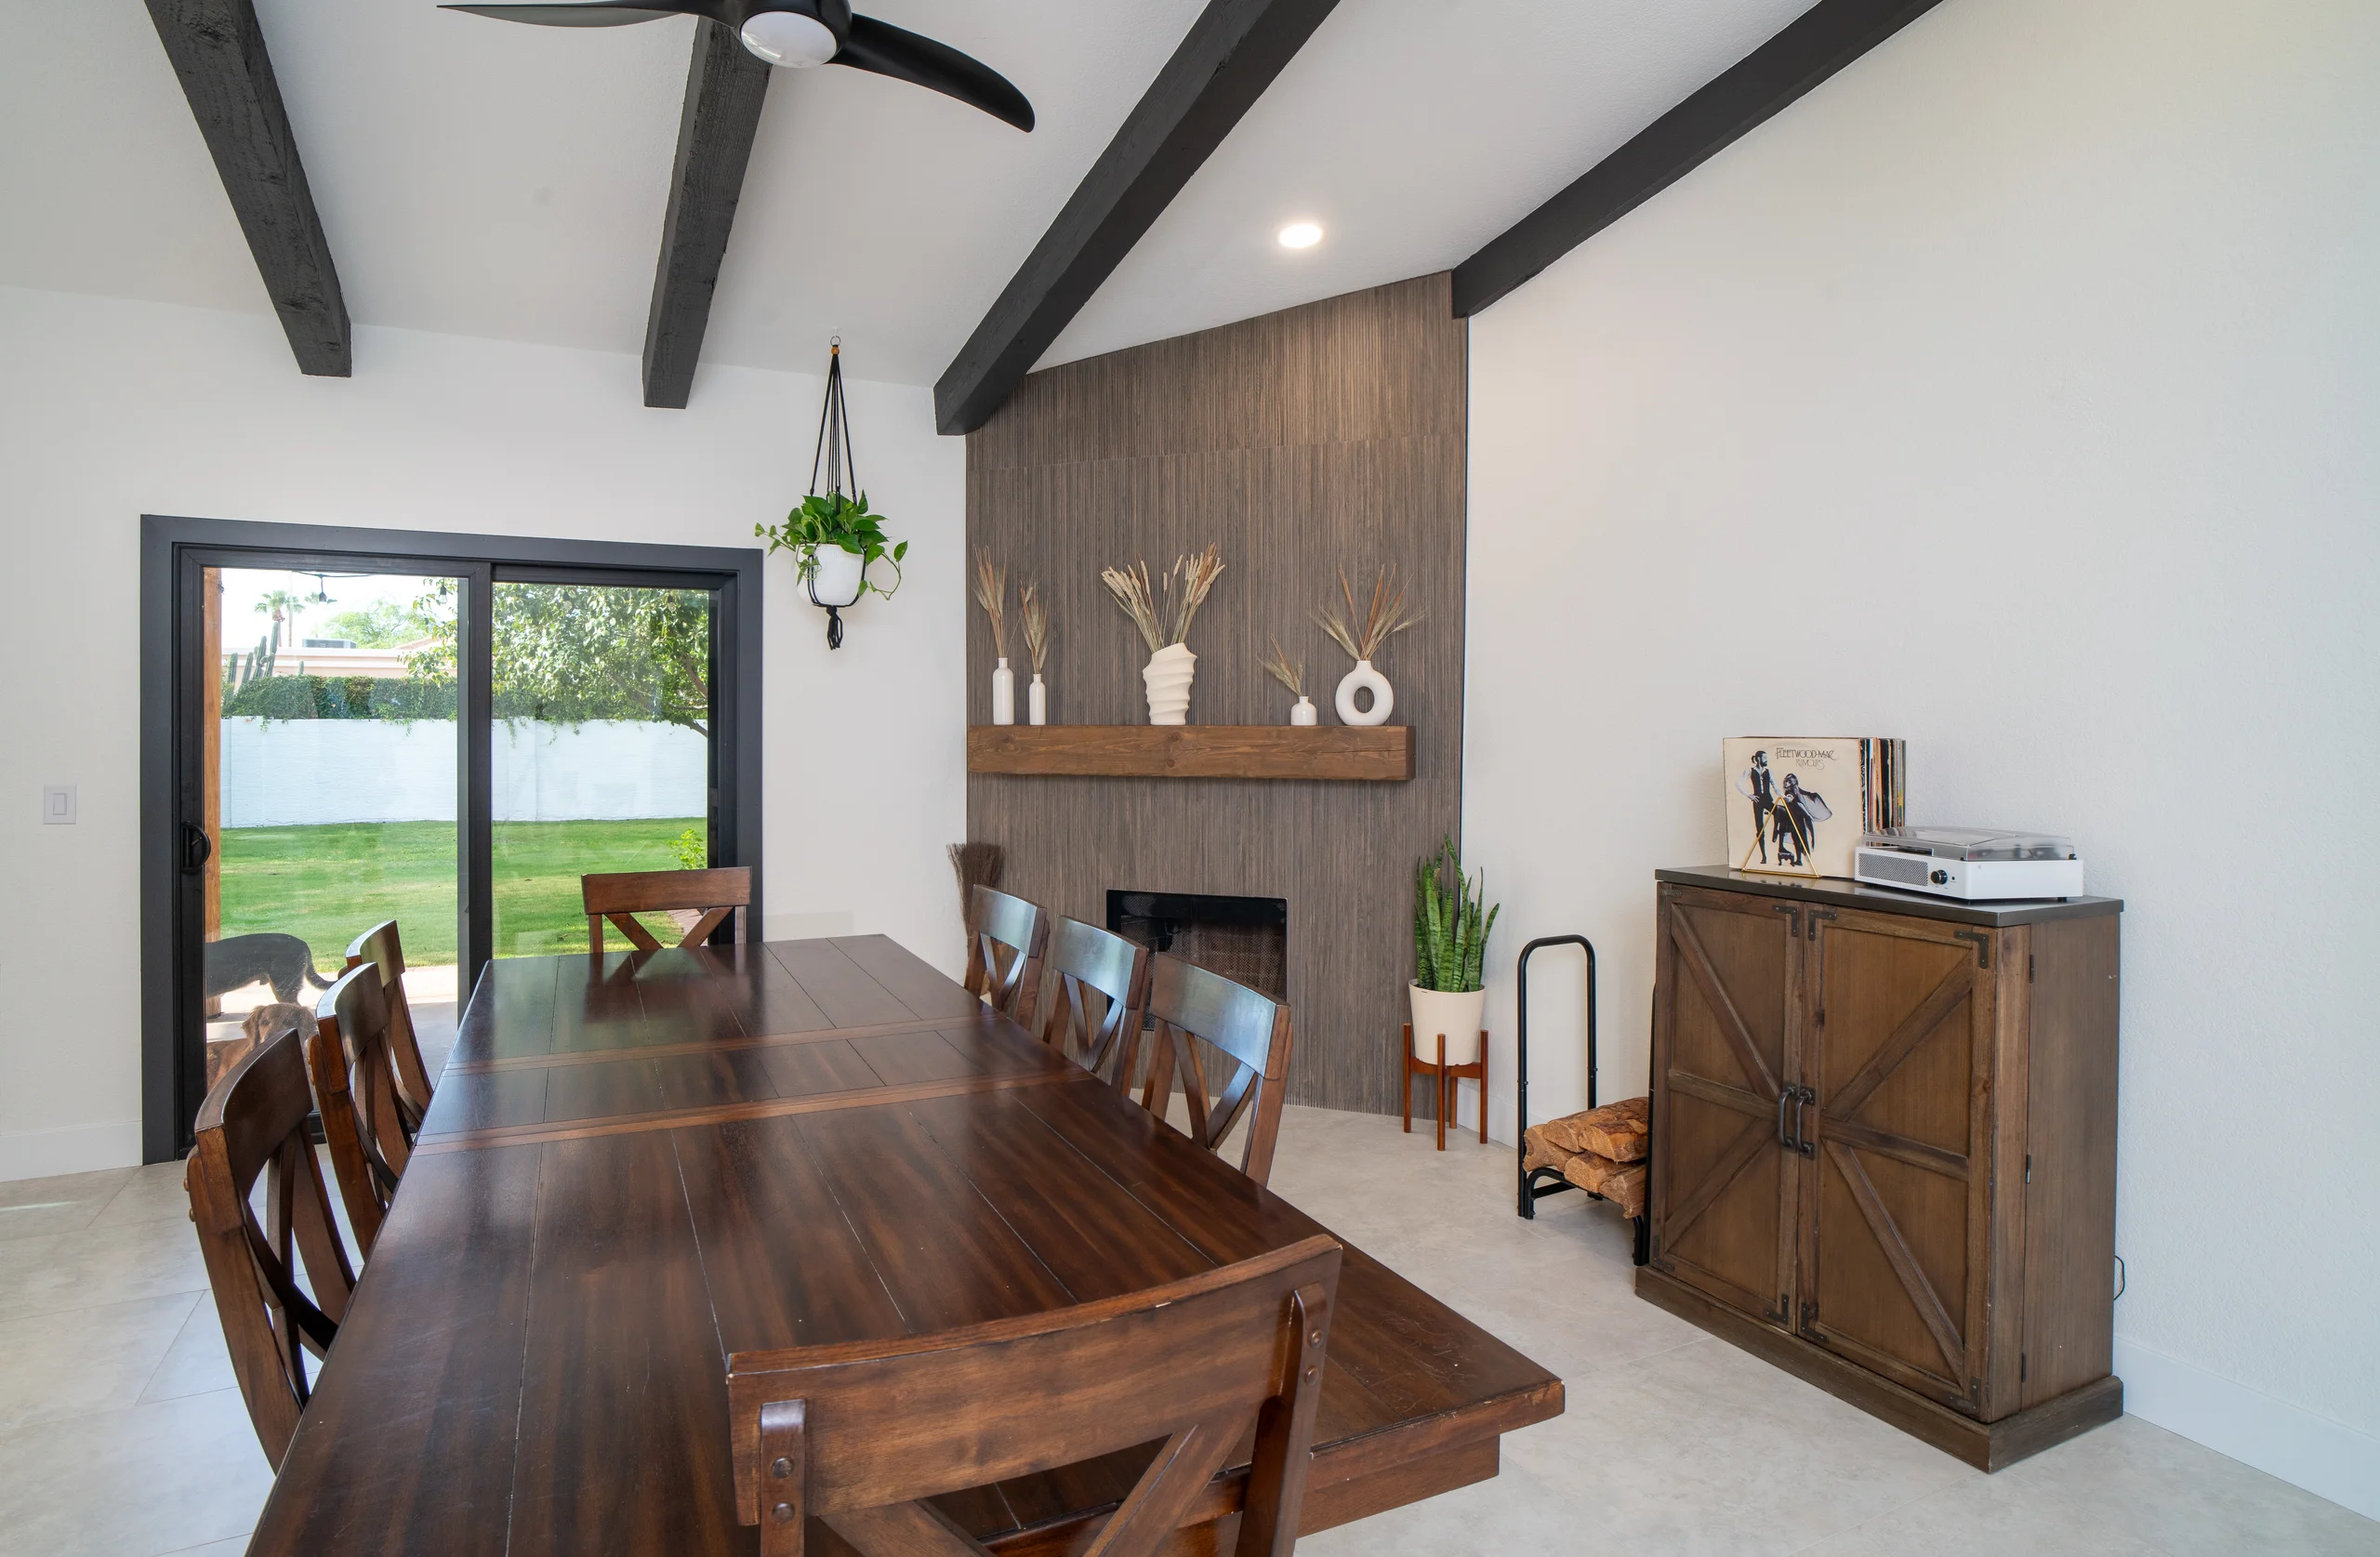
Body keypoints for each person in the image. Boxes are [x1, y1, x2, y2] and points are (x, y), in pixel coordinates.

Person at [1773, 772, 1833, 867]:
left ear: (1792, 783)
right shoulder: (1793, 791)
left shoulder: (1790, 792)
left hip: (1797, 818)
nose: (1785, 783)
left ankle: (1800, 859)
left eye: (1788, 781)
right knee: (1797, 838)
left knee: (1798, 838)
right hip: (1795, 817)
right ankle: (1799, 860)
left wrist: (1781, 795)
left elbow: (1789, 799)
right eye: (1785, 781)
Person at [1735, 750, 1776, 865]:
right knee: (1760, 829)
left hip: (1768, 800)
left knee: (1780, 813)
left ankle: (1776, 834)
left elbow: (1775, 786)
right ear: (1758, 759)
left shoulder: (1769, 772)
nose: (1766, 760)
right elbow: (1738, 783)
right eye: (1764, 758)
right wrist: (1749, 795)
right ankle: (1764, 856)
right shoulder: (1750, 771)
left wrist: (1783, 796)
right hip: (1758, 801)